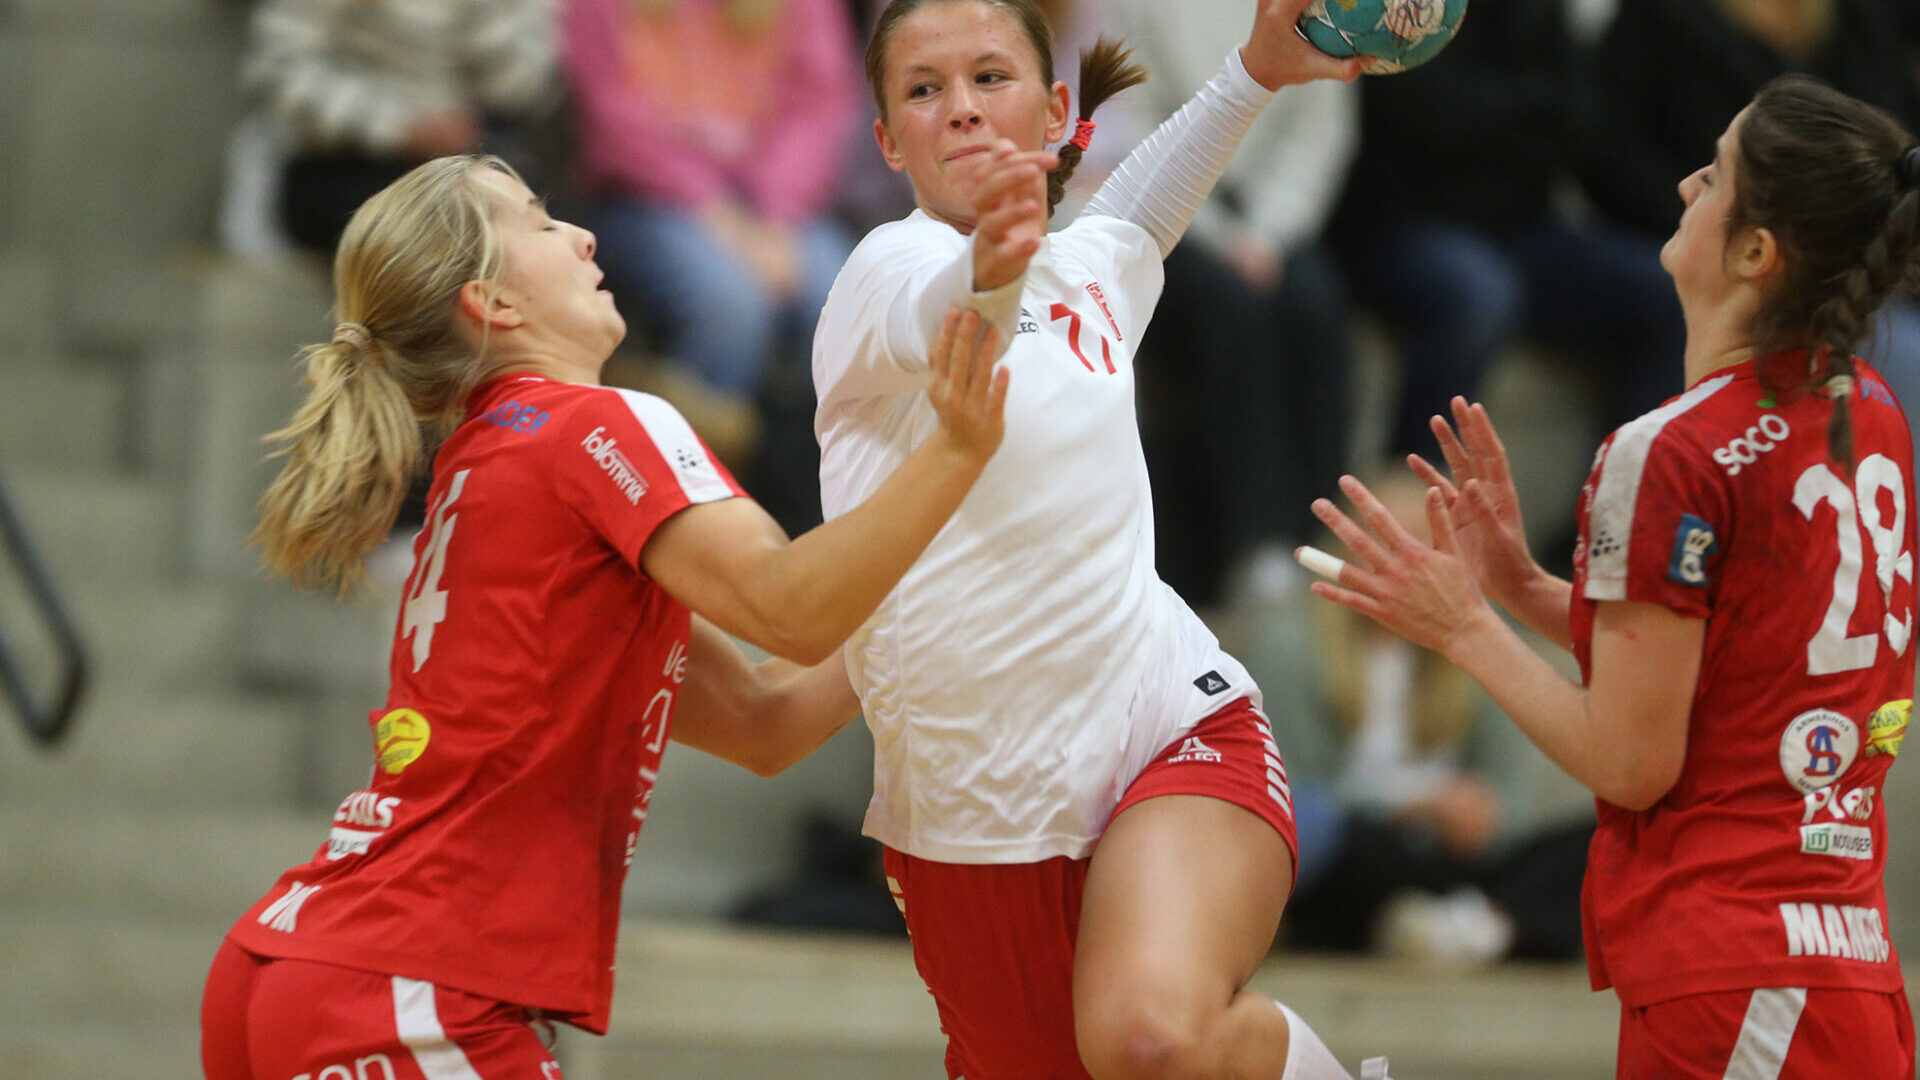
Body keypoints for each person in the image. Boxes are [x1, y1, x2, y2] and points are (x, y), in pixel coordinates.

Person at [199, 153, 1010, 1077]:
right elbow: (788, 609)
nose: (583, 235)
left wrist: (939, 582)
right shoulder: (599, 425)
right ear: (492, 303)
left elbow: (763, 721)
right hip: (411, 982)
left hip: (303, 963)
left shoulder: (496, 457)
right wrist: (956, 455)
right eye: (542, 223)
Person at [1305, 75, 1920, 1078]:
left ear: (1755, 253)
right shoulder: (1872, 411)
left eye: (1713, 175)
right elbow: (1737, 653)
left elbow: (1630, 761)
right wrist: (1522, 587)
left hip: (1735, 975)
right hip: (1838, 966)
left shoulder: (1670, 451)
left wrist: (1465, 629)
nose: (1684, 186)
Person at [814, 2, 1382, 1077]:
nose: (962, 108)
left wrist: (1257, 71)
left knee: (1149, 1038)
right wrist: (993, 258)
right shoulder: (880, 273)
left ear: (1054, 110)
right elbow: (944, 308)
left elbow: (1142, 207)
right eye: (925, 90)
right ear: (887, 140)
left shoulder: (1085, 271)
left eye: (991, 77)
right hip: (972, 822)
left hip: (1170, 732)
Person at [1110, 0, 1360, 608]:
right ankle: (1259, 539)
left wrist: (1268, 232)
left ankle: (1320, 525)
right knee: (1229, 314)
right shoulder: (1143, 9)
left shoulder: (1320, 9)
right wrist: (1219, 236)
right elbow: (1137, 121)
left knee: (1317, 306)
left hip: (1276, 218)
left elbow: (1320, 136)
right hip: (1178, 217)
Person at [243, 0, 564, 256]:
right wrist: (397, 128)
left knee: (535, 225)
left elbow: (521, 89)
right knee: (444, 236)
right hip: (346, 162)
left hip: (468, 155)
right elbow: (278, 72)